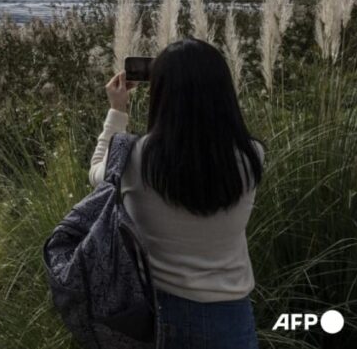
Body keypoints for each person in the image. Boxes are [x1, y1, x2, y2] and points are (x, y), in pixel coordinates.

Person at [89, 39, 264, 349]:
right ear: (223, 92)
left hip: (160, 315)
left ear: (162, 94)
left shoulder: (137, 157)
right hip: (231, 316)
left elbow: (98, 176)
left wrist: (117, 112)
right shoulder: (251, 156)